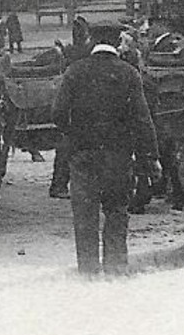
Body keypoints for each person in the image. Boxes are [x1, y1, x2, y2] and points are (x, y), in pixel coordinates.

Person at [52, 40, 159, 276]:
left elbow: (58, 113)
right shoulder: (128, 72)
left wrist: (76, 134)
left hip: (83, 155)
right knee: (117, 211)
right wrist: (150, 156)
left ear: (91, 42)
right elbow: (142, 119)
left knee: (85, 214)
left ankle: (88, 272)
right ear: (117, 44)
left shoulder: (75, 70)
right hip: (118, 156)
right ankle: (116, 269)